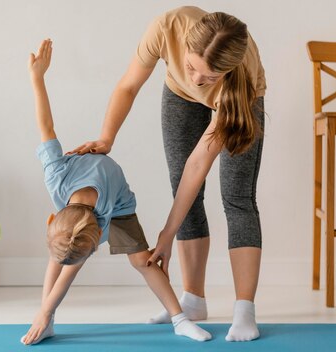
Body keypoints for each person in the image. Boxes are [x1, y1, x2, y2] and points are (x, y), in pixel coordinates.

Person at [69, 6, 266, 342]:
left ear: (226, 71)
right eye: (191, 67)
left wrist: (166, 234)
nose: (197, 80)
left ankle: (245, 311)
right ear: (184, 45)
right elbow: (129, 85)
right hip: (178, 99)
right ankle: (192, 301)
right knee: (184, 191)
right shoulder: (166, 28)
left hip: (237, 102)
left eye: (208, 76)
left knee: (237, 197)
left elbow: (197, 165)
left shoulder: (240, 78)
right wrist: (107, 137)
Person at [21, 39, 212, 345]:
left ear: (99, 237)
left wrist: (41, 312)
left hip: (119, 204)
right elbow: (46, 125)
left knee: (142, 261)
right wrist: (37, 78)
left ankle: (179, 319)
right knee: (61, 251)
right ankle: (50, 320)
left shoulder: (105, 215)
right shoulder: (56, 176)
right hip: (88, 211)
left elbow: (68, 274)